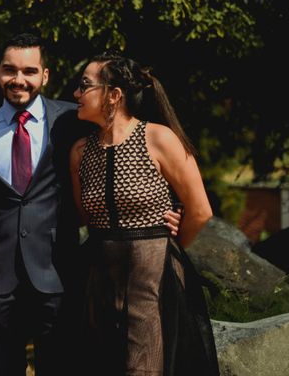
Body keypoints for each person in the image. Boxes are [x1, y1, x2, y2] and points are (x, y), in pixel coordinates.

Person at [0, 34, 182, 376]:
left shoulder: (72, 121)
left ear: (45, 76)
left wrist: (166, 210)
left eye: (29, 71)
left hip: (58, 275)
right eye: (9, 70)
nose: (19, 79)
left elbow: (121, 152)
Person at [69, 51, 220, 375]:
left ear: (114, 95)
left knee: (146, 363)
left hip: (151, 274)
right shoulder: (80, 151)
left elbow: (200, 210)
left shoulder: (159, 138)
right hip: (99, 276)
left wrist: (173, 241)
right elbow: (83, 214)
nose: (76, 95)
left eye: (85, 86)